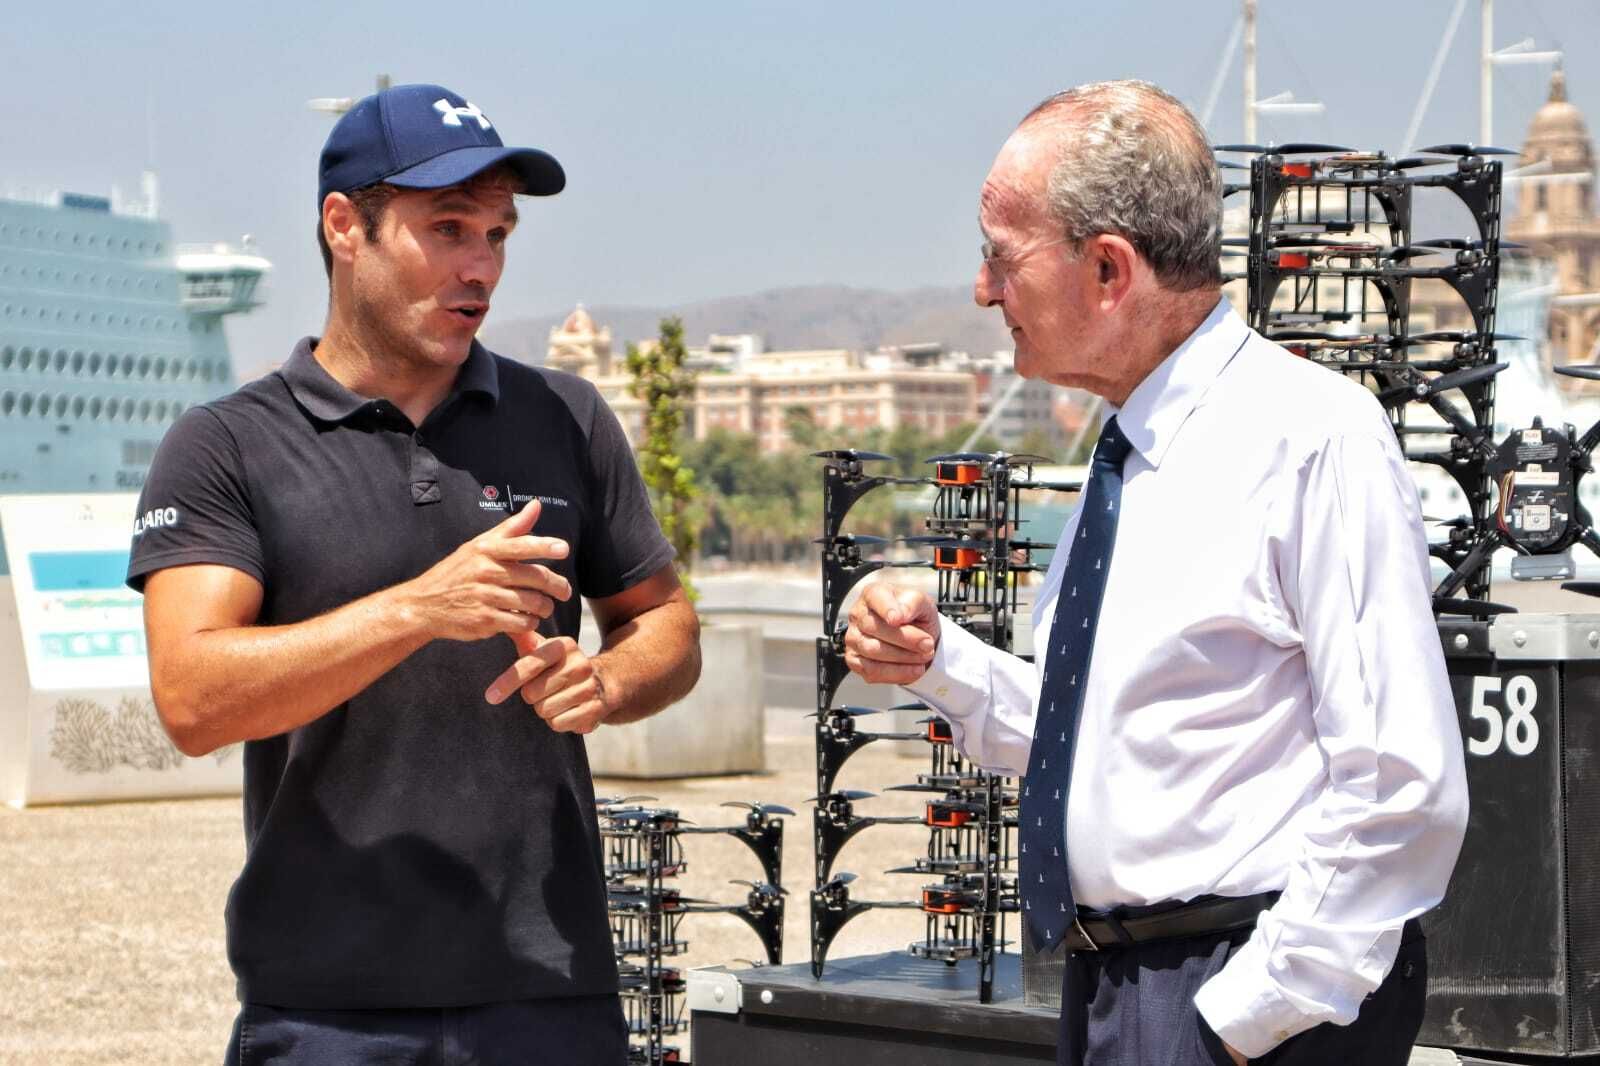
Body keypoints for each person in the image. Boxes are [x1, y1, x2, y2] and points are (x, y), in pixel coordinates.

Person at [843, 80, 1468, 1066]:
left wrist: (1244, 1018)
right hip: (1123, 986)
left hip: (1239, 990)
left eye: (1001, 257)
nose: (982, 291)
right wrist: (939, 661)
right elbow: (1105, 741)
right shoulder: (1130, 452)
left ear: (1107, 269)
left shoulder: (1310, 437)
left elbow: (1402, 785)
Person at [128, 83, 700, 1065]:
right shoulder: (227, 445)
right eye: (447, 228)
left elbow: (667, 624)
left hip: (551, 990)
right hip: (325, 1007)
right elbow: (193, 698)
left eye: (497, 234)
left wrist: (607, 681)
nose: (481, 266)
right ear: (343, 227)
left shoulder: (566, 417)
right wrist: (418, 609)